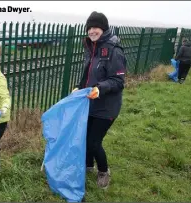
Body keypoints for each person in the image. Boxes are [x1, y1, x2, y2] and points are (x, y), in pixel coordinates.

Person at [72, 11, 127, 189]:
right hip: (90, 103)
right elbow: (89, 75)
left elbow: (118, 81)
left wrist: (100, 88)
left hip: (107, 107)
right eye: (89, 27)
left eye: (95, 27)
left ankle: (103, 172)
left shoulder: (113, 50)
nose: (92, 31)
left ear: (103, 28)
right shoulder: (90, 48)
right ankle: (88, 166)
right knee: (85, 137)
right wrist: (79, 88)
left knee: (94, 141)